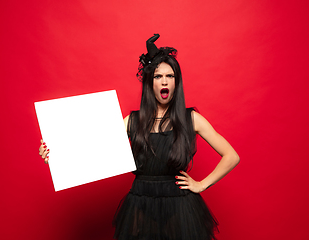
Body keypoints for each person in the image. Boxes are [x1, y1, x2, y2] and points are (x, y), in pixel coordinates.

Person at [39, 34, 239, 240]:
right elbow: (94, 151)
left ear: (176, 83)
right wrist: (56, 157)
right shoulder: (133, 121)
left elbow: (231, 156)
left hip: (180, 205)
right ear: (150, 82)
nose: (165, 81)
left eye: (170, 76)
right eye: (158, 76)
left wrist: (202, 184)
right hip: (140, 203)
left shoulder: (192, 119)